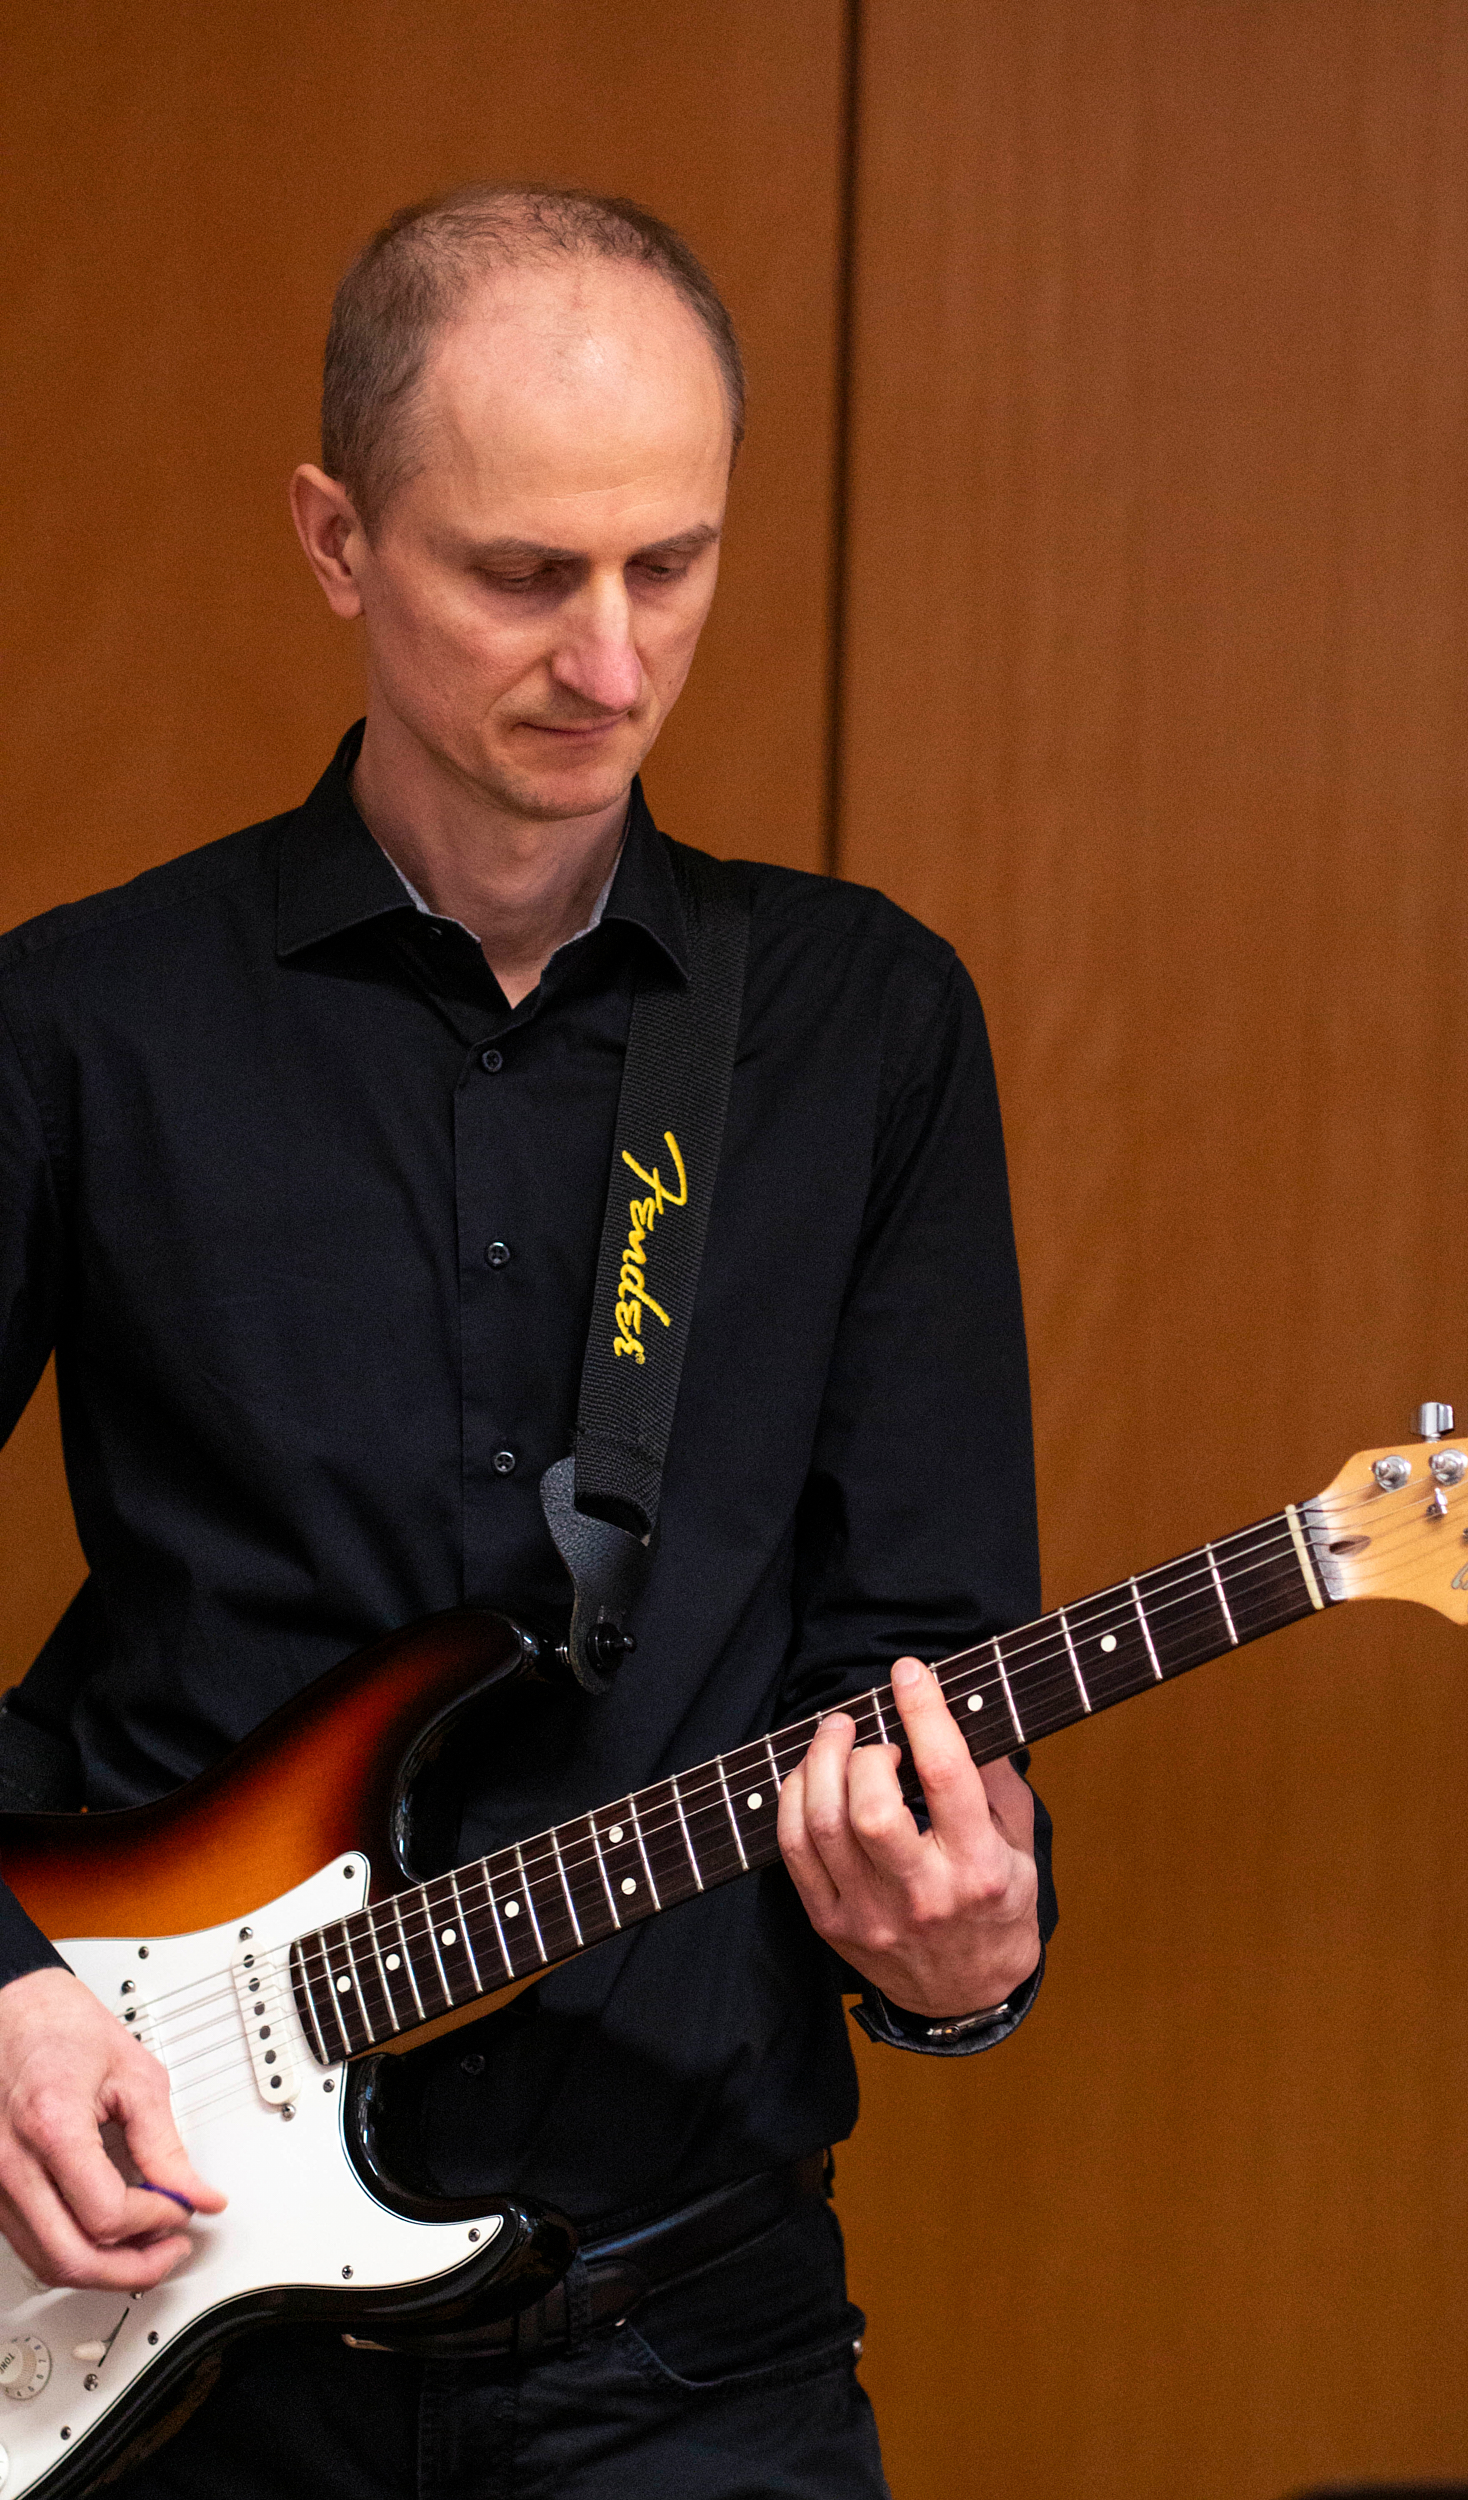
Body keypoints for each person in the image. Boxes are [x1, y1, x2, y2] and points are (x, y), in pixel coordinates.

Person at [0, 186, 1051, 2497]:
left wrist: (967, 1942)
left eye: (670, 563)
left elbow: (924, 1657)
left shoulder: (863, 1026)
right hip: (157, 2345)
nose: (610, 656)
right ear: (336, 539)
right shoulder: (81, 1025)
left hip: (691, 2354)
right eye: (522, 572)